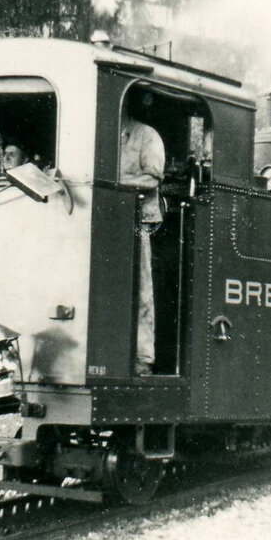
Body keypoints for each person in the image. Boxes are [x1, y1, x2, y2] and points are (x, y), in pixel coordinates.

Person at [119, 95, 165, 375]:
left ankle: (143, 357)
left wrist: (115, 185)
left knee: (142, 287)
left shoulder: (147, 135)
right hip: (106, 218)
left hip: (138, 220)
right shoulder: (106, 135)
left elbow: (153, 177)